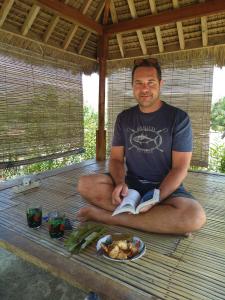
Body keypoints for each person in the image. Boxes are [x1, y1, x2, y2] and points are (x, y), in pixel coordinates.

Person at [77, 58, 206, 235]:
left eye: (150, 82)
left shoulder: (178, 118)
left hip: (165, 188)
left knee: (194, 216)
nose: (144, 89)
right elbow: (115, 159)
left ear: (160, 84)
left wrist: (157, 197)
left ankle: (107, 216)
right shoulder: (124, 118)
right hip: (130, 186)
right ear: (132, 86)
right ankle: (158, 221)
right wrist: (120, 182)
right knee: (85, 184)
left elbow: (180, 168)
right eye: (138, 83)